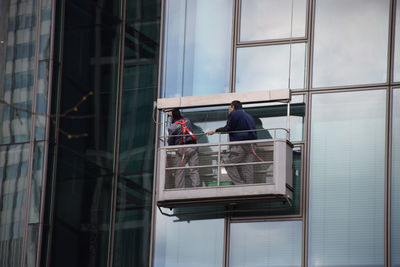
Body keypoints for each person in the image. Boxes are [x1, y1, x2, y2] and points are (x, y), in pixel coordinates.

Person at [206, 100, 257, 185]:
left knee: (227, 162)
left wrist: (215, 131)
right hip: (251, 145)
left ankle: (239, 184)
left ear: (233, 107)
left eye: (230, 107)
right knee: (247, 167)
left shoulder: (234, 114)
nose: (229, 109)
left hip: (240, 144)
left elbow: (228, 128)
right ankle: (249, 186)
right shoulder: (248, 116)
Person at [167, 108, 200, 188]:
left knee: (179, 170)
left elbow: (171, 142)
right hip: (192, 147)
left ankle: (179, 188)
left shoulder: (172, 127)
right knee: (194, 170)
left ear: (173, 117)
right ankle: (196, 187)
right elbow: (181, 117)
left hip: (182, 150)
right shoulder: (187, 121)